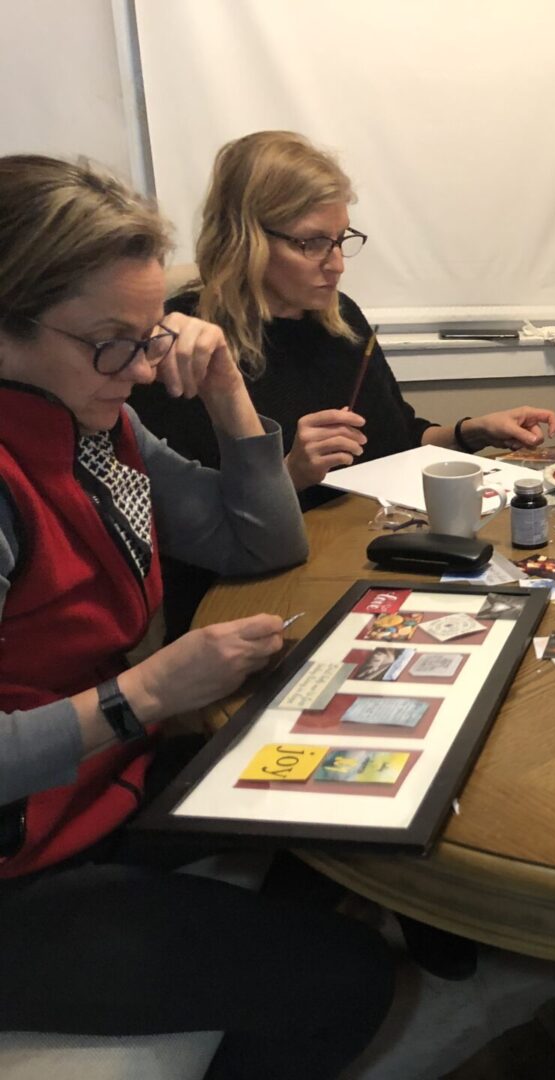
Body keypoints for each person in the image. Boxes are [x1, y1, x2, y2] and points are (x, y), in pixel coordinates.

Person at [0, 155, 393, 1079]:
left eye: (149, 337)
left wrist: (226, 391)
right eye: (110, 342)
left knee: (342, 810)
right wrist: (140, 695)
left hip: (98, 787)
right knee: (347, 980)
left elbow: (261, 547)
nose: (139, 370)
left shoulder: (99, 423)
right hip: (20, 864)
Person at [131, 130, 555, 637]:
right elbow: (186, 523)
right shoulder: (185, 346)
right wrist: (289, 472)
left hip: (360, 561)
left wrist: (472, 433)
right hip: (243, 596)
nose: (334, 263)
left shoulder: (338, 320)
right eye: (311, 243)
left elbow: (395, 438)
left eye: (341, 240)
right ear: (245, 237)